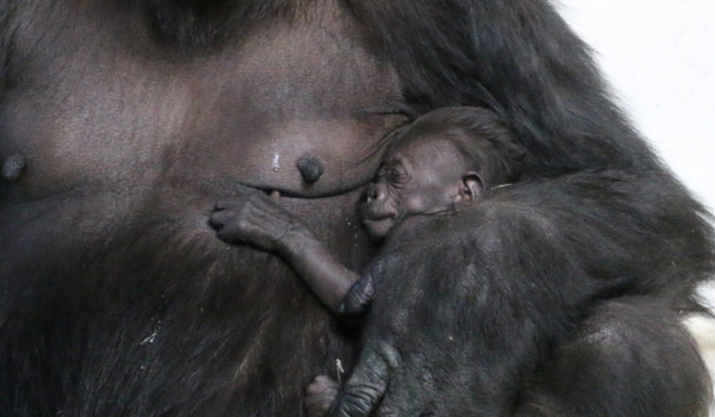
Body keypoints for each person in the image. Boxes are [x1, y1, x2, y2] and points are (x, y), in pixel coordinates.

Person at [211, 107, 526, 416]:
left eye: (395, 177)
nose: (372, 192)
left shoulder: (463, 250)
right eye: (378, 178)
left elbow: (366, 306)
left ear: (465, 193)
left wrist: (287, 234)